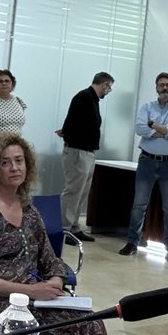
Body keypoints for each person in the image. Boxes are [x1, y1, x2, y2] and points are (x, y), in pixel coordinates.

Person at [0, 132, 116, 335]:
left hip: (37, 299)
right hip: (1, 304)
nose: (14, 167)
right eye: (5, 162)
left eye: (19, 160)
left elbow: (50, 260)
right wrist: (31, 291)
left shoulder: (29, 210)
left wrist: (54, 280)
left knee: (91, 322)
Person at [121, 73, 168, 263]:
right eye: (161, 85)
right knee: (138, 205)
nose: (165, 88)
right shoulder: (146, 106)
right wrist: (164, 130)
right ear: (156, 87)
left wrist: (154, 125)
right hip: (147, 161)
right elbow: (140, 128)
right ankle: (132, 243)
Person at [55, 72, 113, 242]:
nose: (108, 92)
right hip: (77, 152)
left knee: (81, 192)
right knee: (73, 191)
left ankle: (74, 226)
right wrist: (66, 131)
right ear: (105, 85)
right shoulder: (84, 97)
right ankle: (64, 229)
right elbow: (72, 120)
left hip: (86, 152)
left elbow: (77, 122)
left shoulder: (92, 99)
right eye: (109, 88)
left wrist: (65, 130)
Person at [0, 69, 27, 134]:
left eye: (7, 81)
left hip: (17, 141)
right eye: (0, 81)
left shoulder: (18, 101)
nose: (4, 83)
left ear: (12, 84)